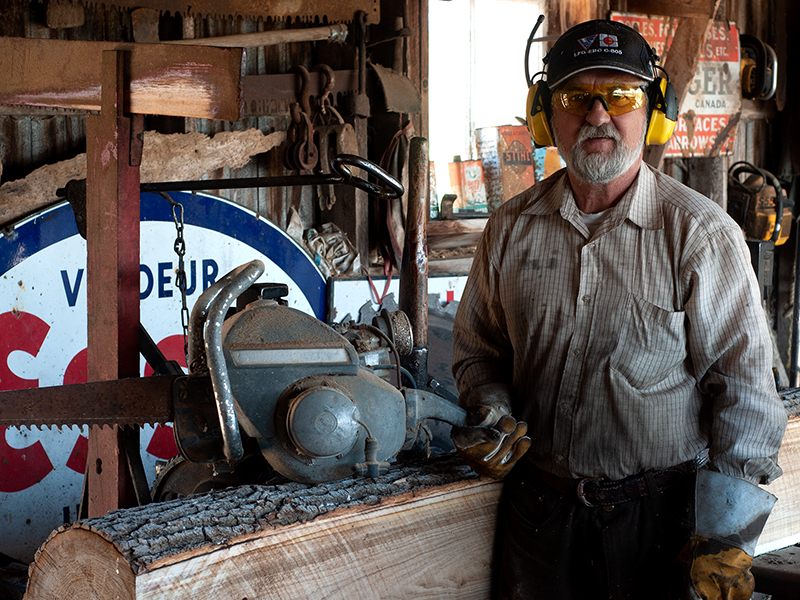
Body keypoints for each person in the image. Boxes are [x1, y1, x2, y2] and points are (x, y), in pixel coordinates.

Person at [450, 19, 787, 600]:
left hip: (660, 524)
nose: (598, 115)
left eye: (621, 96)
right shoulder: (509, 229)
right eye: (577, 97)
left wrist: (726, 535)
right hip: (538, 518)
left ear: (653, 111)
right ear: (544, 115)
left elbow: (746, 391)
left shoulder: (701, 236)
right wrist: (492, 407)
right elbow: (480, 353)